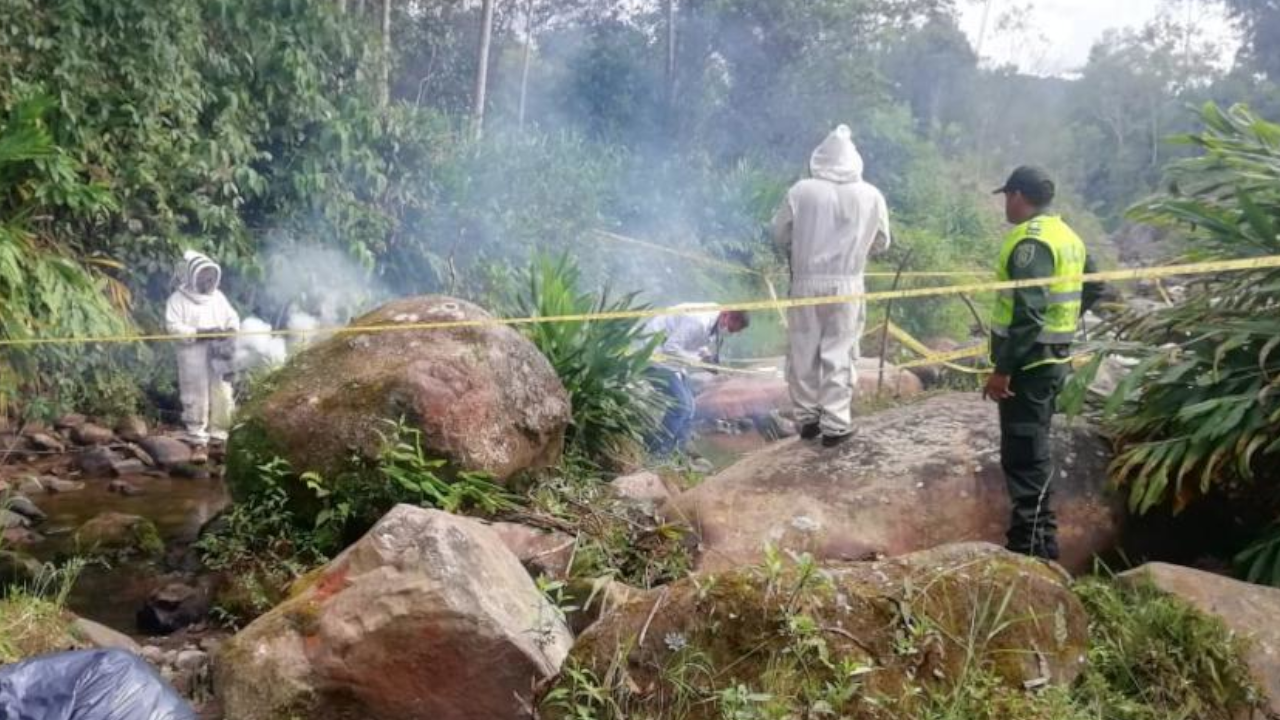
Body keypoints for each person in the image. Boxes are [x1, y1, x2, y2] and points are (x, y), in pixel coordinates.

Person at [984, 166, 1105, 561]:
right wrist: (1065, 324)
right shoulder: (1067, 235)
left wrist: (1003, 369)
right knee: (1033, 446)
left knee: (1024, 453)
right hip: (1053, 360)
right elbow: (1096, 284)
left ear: (1019, 196)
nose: (1005, 204)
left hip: (1029, 367)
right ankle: (1041, 538)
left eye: (1007, 196)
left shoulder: (1031, 243)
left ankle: (1031, 545)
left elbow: (1029, 314)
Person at [772, 125, 890, 448]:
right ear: (855, 161)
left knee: (803, 347)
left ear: (819, 158)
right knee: (840, 349)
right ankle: (836, 422)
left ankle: (807, 418)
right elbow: (882, 242)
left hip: (806, 281)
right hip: (848, 283)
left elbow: (779, 234)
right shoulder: (872, 195)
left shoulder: (801, 191)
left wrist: (800, 248)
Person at [643, 306, 750, 456]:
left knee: (691, 408)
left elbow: (697, 341)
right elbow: (671, 347)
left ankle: (677, 454)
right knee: (682, 406)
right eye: (731, 329)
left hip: (670, 361)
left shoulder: (715, 320)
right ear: (726, 315)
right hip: (652, 355)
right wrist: (699, 362)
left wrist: (707, 357)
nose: (730, 333)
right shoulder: (699, 321)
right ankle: (657, 453)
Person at [165, 250, 240, 461]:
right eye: (203, 276)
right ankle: (198, 441)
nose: (208, 280)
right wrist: (200, 333)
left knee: (223, 392)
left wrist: (231, 333)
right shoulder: (177, 300)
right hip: (192, 354)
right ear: (192, 276)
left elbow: (232, 317)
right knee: (195, 395)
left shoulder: (218, 298)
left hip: (219, 353)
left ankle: (219, 438)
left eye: (211, 275)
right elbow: (173, 328)